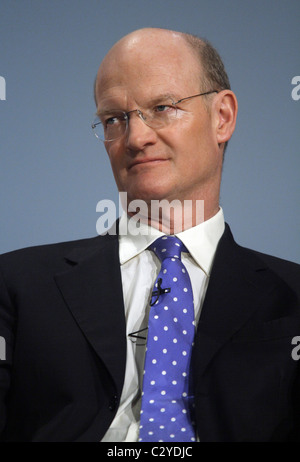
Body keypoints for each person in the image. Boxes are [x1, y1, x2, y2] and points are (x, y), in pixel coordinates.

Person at [0, 27, 299, 442]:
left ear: (222, 118)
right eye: (114, 119)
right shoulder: (16, 283)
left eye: (162, 107)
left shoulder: (293, 293)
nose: (136, 138)